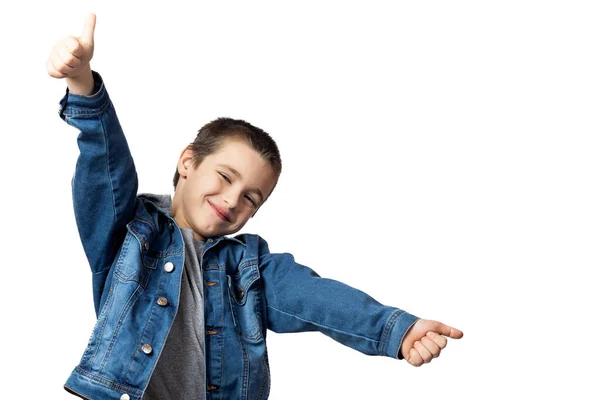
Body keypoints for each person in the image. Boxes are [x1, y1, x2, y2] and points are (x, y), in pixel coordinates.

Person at [48, 13, 463, 400]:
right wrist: (84, 85)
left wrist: (398, 329)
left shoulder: (250, 265)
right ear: (188, 162)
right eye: (225, 177)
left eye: (251, 198)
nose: (232, 200)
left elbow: (318, 298)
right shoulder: (129, 234)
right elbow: (106, 170)